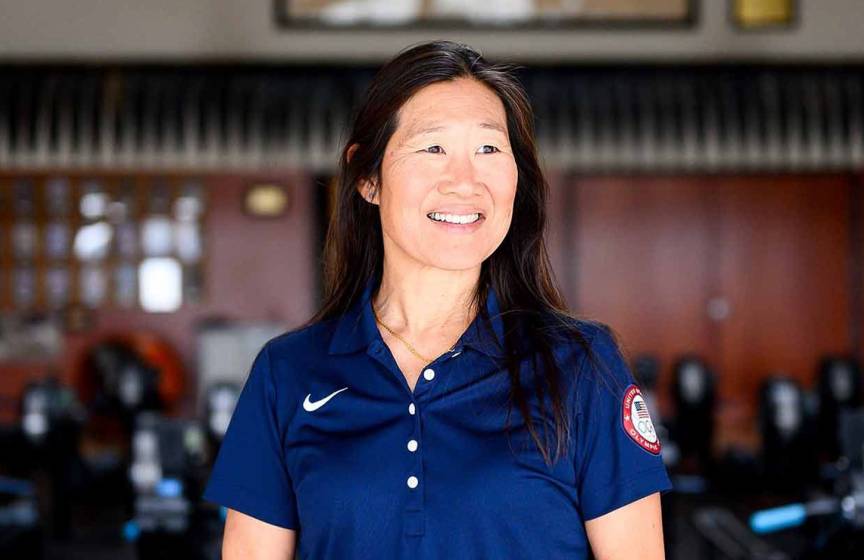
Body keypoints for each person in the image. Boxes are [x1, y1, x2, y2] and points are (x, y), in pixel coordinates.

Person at [203, 40, 672, 559]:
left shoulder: (581, 365)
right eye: (433, 148)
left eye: (489, 149)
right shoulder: (288, 373)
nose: (465, 180)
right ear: (367, 176)